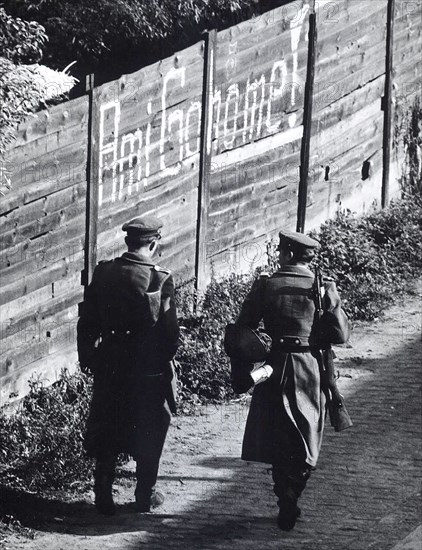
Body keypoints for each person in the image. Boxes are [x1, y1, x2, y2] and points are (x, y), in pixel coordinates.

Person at [236, 230, 349, 531]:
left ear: (285, 254)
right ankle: (291, 493)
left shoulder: (266, 284)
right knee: (308, 433)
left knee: (276, 433)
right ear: (308, 258)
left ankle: (284, 495)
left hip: (273, 367)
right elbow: (340, 335)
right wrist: (332, 300)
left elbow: (243, 329)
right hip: (310, 368)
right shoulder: (320, 287)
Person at [77, 215, 180, 516]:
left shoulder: (105, 272)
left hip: (110, 362)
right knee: (150, 425)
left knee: (108, 422)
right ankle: (144, 495)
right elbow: (170, 333)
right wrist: (164, 363)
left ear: (127, 242)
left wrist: (90, 360)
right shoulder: (159, 279)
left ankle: (103, 493)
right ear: (153, 242)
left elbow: (87, 322)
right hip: (146, 367)